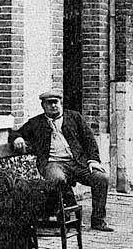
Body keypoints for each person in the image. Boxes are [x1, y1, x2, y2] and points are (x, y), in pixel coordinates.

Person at [8, 92, 114, 232]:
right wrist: (17, 139)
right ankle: (72, 213)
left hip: (77, 163)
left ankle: (98, 220)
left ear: (61, 103)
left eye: (55, 102)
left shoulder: (74, 117)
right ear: (43, 106)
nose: (53, 106)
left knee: (101, 178)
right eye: (49, 103)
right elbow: (15, 133)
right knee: (57, 178)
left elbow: (89, 140)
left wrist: (93, 160)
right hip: (53, 163)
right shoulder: (36, 123)